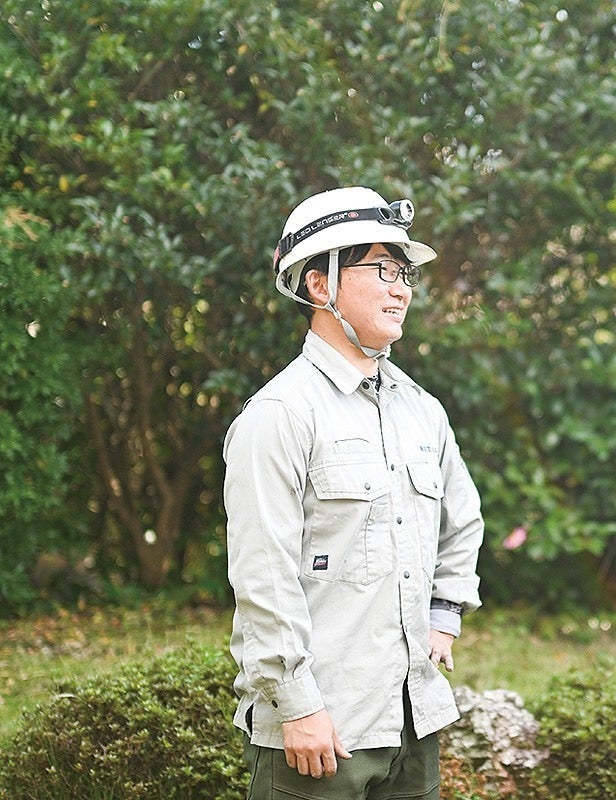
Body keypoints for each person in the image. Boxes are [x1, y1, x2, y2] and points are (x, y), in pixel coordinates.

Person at [224, 186, 485, 799]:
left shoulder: (421, 410)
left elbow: (463, 521)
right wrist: (296, 704)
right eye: (383, 271)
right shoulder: (281, 414)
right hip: (320, 729)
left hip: (413, 719)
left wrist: (445, 614)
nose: (402, 290)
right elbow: (263, 575)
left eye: (405, 274)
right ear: (321, 285)